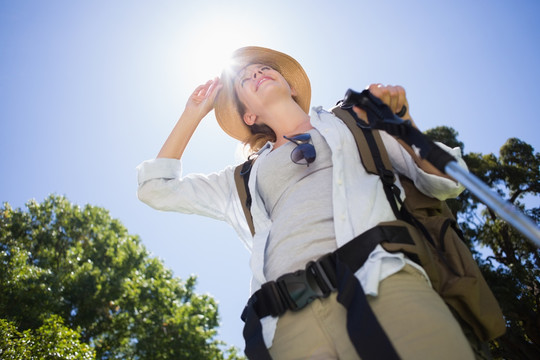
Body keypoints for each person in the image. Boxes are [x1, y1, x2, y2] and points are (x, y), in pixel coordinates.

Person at [137, 46, 475, 359]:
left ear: (292, 86)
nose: (257, 74)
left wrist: (402, 122)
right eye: (245, 79)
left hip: (383, 283)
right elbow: (157, 188)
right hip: (288, 321)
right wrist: (192, 113)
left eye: (265, 69)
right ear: (249, 116)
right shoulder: (241, 178)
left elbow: (447, 181)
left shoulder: (356, 121)